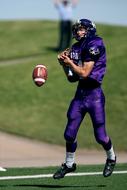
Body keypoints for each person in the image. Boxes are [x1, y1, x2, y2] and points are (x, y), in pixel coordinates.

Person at [53, 18, 116, 179]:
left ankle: (111, 157)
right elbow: (72, 78)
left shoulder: (96, 43)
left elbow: (85, 73)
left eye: (81, 29)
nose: (77, 32)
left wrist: (70, 63)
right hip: (80, 94)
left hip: (95, 95)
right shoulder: (75, 47)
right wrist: (64, 65)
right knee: (69, 134)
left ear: (89, 30)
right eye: (77, 29)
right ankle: (69, 164)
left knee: (101, 137)